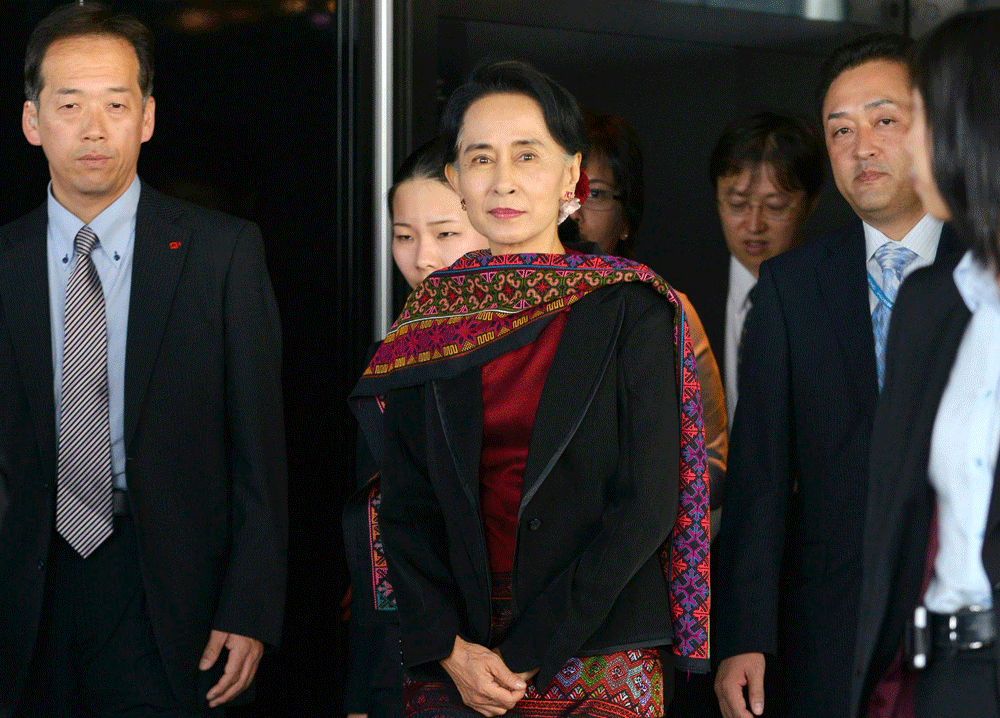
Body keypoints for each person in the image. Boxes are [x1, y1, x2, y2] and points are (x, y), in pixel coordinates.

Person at [351, 60, 711, 718]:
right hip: (456, 665)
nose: (504, 180)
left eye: (528, 155)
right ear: (457, 182)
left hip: (598, 652)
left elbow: (648, 505)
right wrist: (450, 648)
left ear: (571, 175)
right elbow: (402, 505)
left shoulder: (632, 307)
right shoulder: (431, 319)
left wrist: (524, 652)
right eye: (480, 158)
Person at [0, 4, 287, 716]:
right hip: (23, 585)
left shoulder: (223, 254)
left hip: (169, 585)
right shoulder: (2, 261)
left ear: (147, 117)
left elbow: (260, 447)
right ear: (34, 121)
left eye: (116, 104)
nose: (94, 129)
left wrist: (251, 605)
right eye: (69, 105)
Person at [713, 33, 962, 718]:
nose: (862, 147)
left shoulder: (987, 266)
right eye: (840, 130)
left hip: (971, 623)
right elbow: (760, 477)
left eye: (885, 120)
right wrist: (744, 637)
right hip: (832, 624)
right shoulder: (792, 287)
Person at [851, 10, 1000, 718]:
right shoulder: (934, 302)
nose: (902, 143)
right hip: (939, 674)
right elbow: (896, 531)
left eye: (914, 116)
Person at [569, 108, 727, 718]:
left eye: (600, 194)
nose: (579, 207)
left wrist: (647, 499)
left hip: (628, 594)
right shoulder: (509, 301)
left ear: (627, 216)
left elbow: (713, 449)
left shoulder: (663, 311)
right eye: (572, 188)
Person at [343, 138, 488, 718]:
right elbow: (375, 541)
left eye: (446, 233)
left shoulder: (546, 350)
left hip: (529, 658)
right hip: (411, 664)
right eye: (405, 236)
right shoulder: (388, 367)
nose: (423, 257)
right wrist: (366, 691)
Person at [708, 111, 825, 426]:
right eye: (737, 204)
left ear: (811, 203)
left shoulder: (834, 296)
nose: (754, 225)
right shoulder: (681, 294)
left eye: (774, 207)